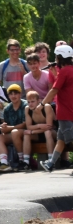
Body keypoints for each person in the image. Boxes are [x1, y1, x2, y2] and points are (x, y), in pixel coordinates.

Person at [43, 44, 73, 172]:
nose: (55, 59)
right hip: (69, 110)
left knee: (71, 139)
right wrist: (55, 73)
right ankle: (51, 163)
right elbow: (62, 84)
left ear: (60, 57)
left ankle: (51, 162)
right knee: (61, 139)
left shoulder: (65, 72)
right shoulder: (69, 70)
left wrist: (42, 104)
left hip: (66, 112)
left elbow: (54, 90)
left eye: (56, 57)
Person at [0, 84, 27, 171]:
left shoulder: (25, 105)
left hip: (27, 132)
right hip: (13, 132)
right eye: (11, 94)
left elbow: (25, 124)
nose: (13, 96)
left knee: (14, 132)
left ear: (20, 94)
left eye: (16, 93)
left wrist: (10, 128)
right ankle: (4, 163)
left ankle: (21, 161)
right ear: (8, 96)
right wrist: (4, 127)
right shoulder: (7, 109)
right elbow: (6, 124)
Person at [25, 89, 55, 166]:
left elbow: (49, 127)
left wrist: (33, 131)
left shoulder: (46, 107)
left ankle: (51, 161)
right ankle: (25, 162)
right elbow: (28, 127)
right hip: (39, 134)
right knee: (26, 134)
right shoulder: (27, 109)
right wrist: (39, 126)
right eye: (28, 102)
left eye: (32, 101)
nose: (30, 104)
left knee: (47, 132)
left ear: (39, 101)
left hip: (53, 133)